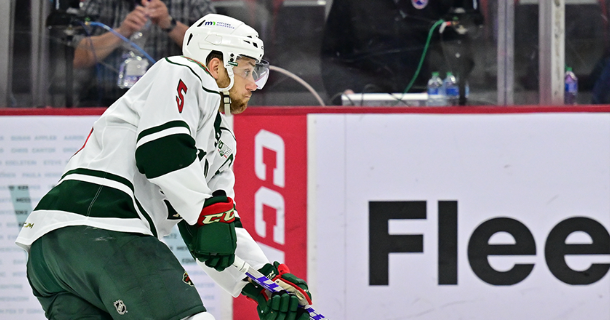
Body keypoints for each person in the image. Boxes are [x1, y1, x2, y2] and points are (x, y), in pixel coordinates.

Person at [16, 13, 312, 320]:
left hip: (50, 252)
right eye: (247, 70)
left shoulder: (221, 140)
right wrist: (205, 215)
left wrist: (265, 283)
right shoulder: (182, 72)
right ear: (216, 65)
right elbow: (160, 152)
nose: (253, 84)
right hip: (105, 228)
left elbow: (217, 229)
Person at [320, 0, 483, 105]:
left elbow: (460, 45)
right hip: (365, 107)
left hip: (430, 108)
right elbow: (333, 55)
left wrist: (441, 88)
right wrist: (345, 92)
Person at [73, 0, 216, 107]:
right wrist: (121, 32)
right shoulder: (100, 2)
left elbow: (215, 53)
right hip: (108, 102)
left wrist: (170, 24)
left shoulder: (194, 3)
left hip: (176, 103)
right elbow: (75, 58)